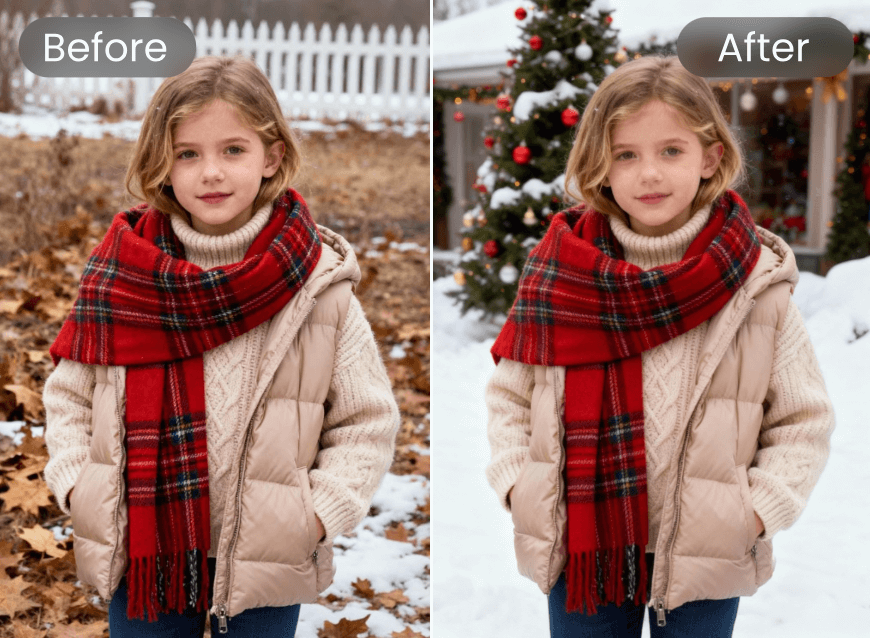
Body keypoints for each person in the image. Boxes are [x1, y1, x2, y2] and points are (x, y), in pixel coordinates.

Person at [43, 55, 400, 637]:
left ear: (272, 157)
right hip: (144, 545)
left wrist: (312, 517)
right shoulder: (120, 275)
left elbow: (366, 419)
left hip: (266, 551)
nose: (211, 172)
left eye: (233, 150)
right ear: (162, 164)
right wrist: (80, 485)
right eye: (188, 153)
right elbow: (70, 396)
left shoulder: (317, 289)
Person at [485, 55, 834, 638]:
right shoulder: (558, 272)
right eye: (627, 154)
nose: (649, 173)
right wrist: (520, 484)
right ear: (600, 166)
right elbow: (510, 397)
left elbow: (803, 418)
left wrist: (753, 513)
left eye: (671, 151)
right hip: (583, 544)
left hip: (708, 548)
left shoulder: (755, 285)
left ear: (710, 158)